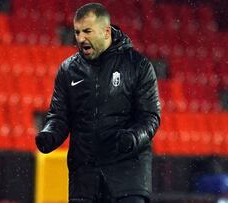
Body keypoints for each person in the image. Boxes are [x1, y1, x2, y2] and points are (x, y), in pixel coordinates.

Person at [35, 2, 161, 203]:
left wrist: (133, 138)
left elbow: (150, 117)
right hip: (84, 179)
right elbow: (59, 116)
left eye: (87, 31)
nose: (80, 38)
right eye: (77, 32)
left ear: (106, 32)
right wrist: (50, 134)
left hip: (128, 177)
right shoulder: (68, 70)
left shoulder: (138, 66)